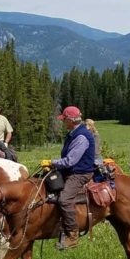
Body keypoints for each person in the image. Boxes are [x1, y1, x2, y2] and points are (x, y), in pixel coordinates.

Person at [47, 106, 96, 250]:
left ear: (70, 120)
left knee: (65, 199)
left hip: (80, 173)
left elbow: (70, 161)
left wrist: (52, 162)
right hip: (71, 170)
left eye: (64, 120)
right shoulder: (73, 133)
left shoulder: (80, 136)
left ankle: (72, 235)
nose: (63, 122)